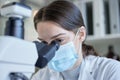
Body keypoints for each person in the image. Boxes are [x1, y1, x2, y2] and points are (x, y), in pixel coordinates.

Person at [31, 0, 120, 80]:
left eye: (58, 41)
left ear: (81, 34)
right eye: (44, 42)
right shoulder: (39, 77)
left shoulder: (110, 71)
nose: (51, 51)